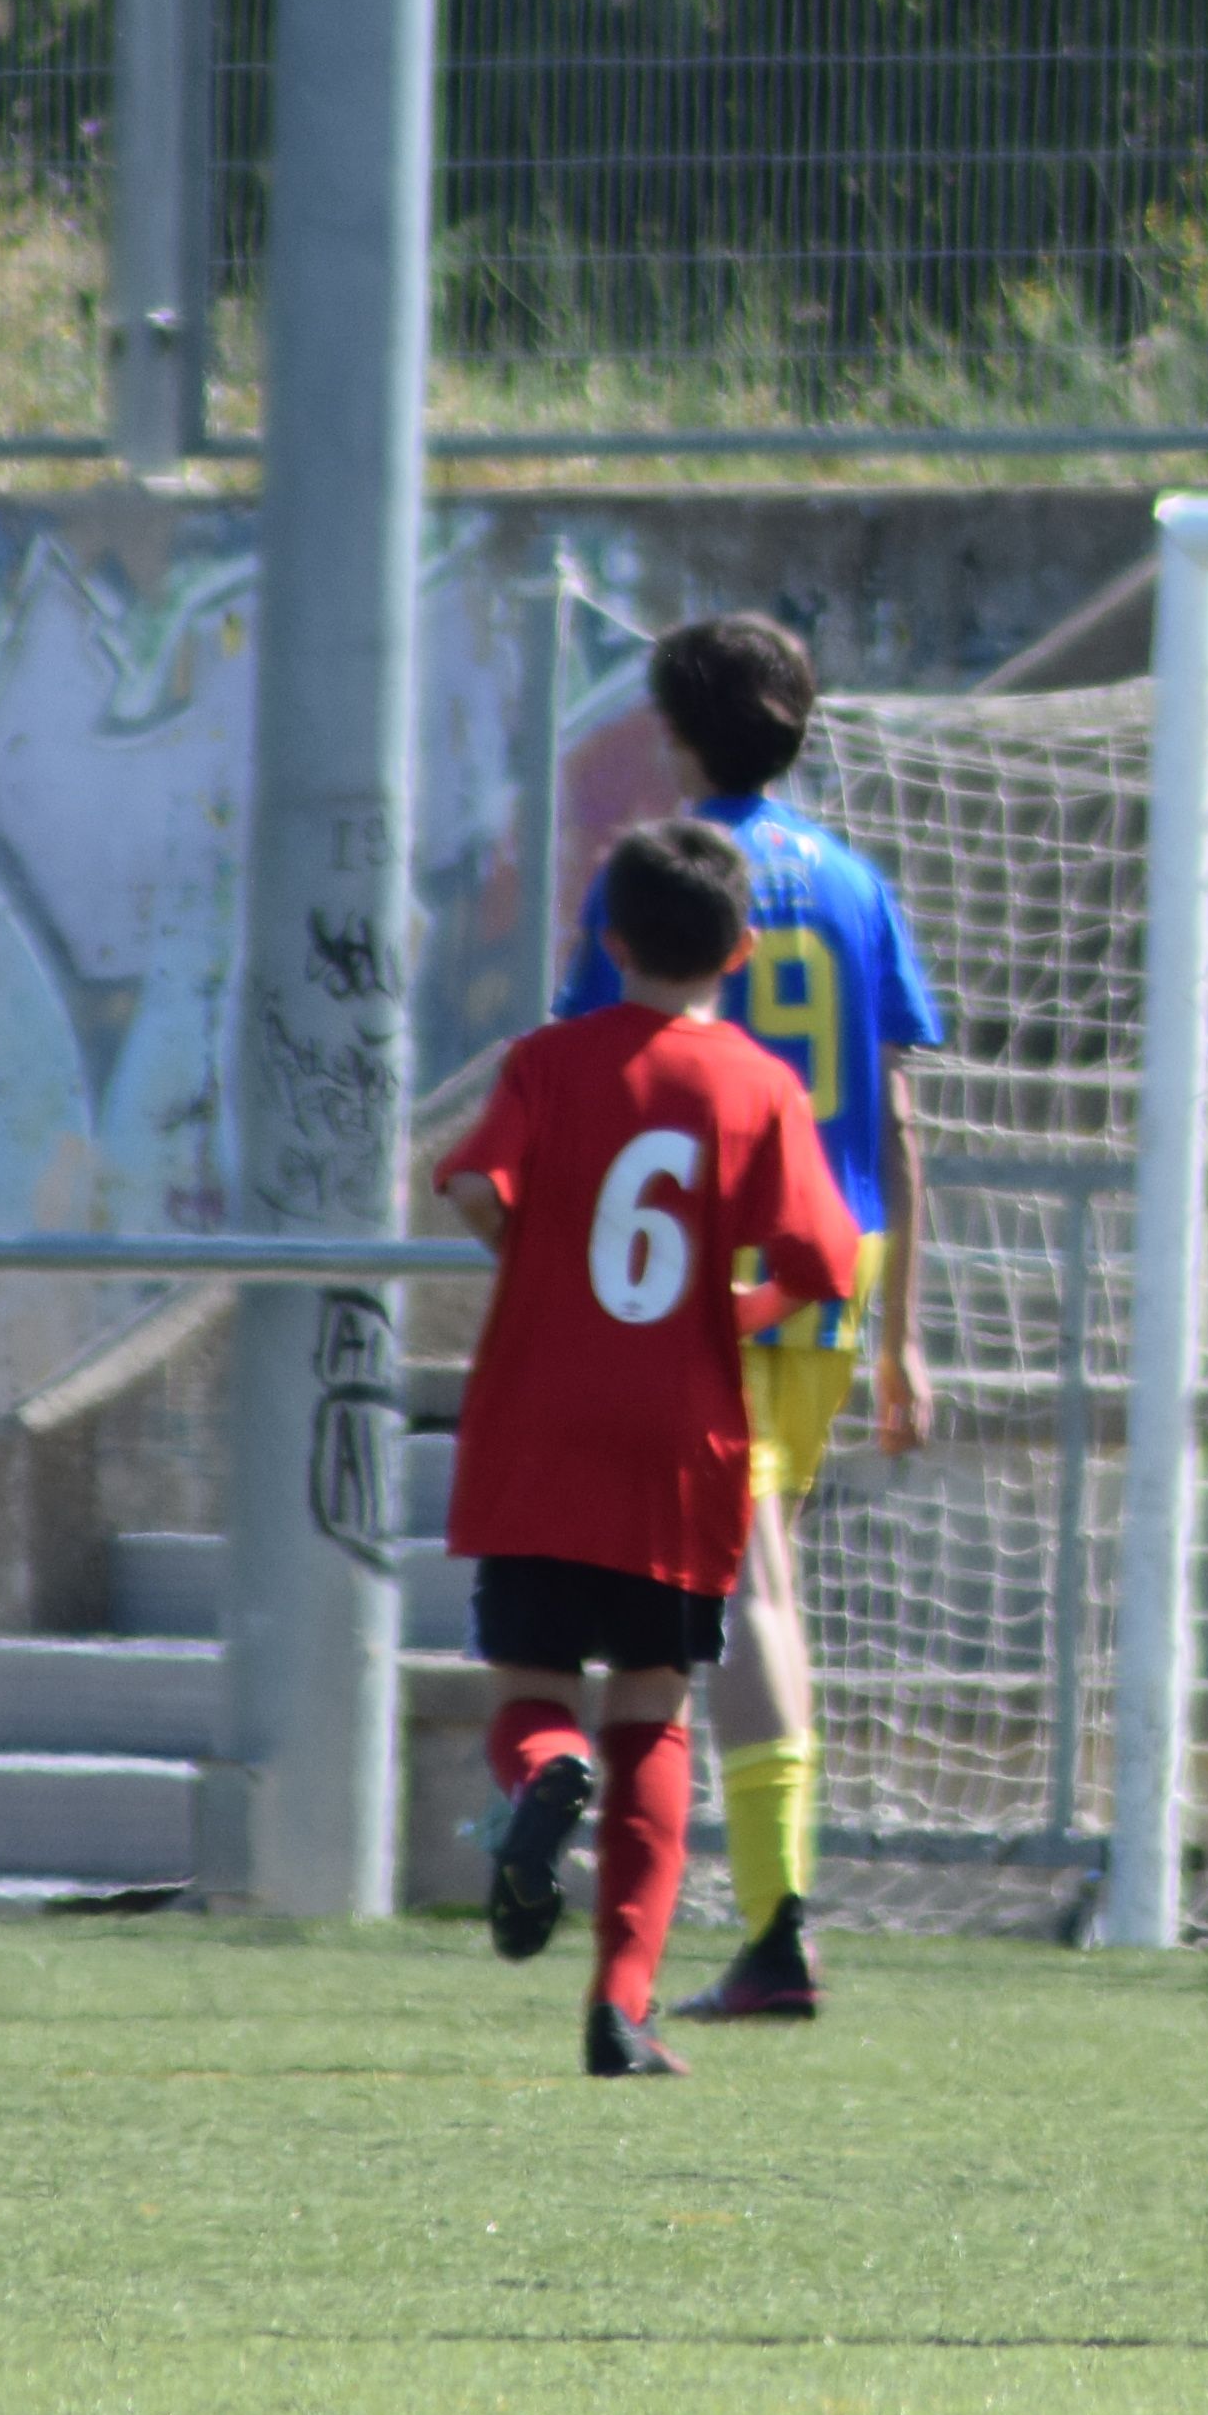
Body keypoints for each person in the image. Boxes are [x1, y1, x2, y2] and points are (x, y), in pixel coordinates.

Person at [530, 611, 949, 2026]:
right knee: (752, 1570)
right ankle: (758, 1911)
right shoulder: (853, 879)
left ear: (673, 734)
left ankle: (776, 1925)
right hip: (843, 1261)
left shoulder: (653, 884)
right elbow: (896, 1109)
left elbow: (610, 1071)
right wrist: (903, 1335)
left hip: (708, 1268)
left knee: (748, 1583)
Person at [430, 817, 871, 2078]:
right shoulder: (756, 1085)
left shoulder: (547, 1062)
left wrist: (543, 1266)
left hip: (538, 1424)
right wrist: (722, 1312)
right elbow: (823, 1262)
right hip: (682, 1442)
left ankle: (540, 1777)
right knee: (655, 1719)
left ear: (607, 936)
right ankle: (621, 2007)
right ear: (737, 948)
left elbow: (473, 1189)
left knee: (530, 1692)